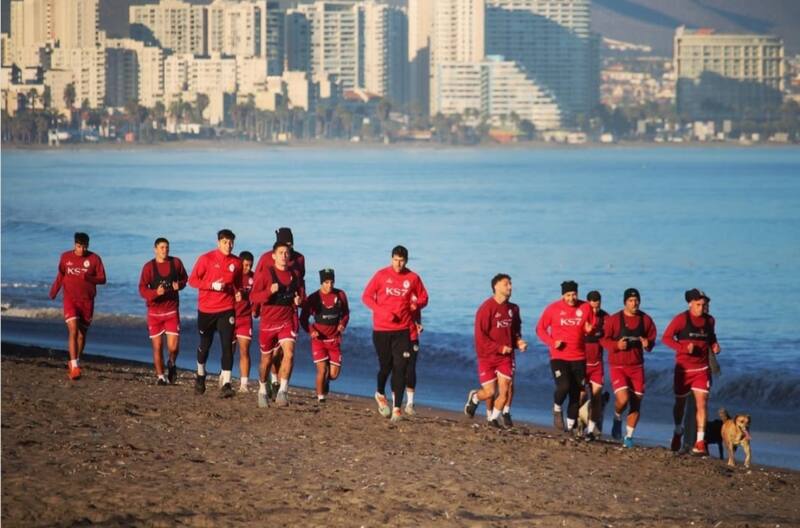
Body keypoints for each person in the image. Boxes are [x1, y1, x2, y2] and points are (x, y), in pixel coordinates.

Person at [362, 245, 428, 422]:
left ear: (406, 261)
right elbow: (366, 297)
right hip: (382, 329)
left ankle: (397, 408)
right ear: (391, 259)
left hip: (403, 330)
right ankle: (379, 393)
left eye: (402, 260)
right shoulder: (381, 275)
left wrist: (416, 305)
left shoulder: (413, 278)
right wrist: (381, 311)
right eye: (396, 260)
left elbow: (424, 297)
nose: (398, 264)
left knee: (401, 367)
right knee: (386, 367)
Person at [662, 288, 721, 456]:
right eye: (698, 304)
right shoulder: (681, 319)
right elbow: (666, 338)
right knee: (679, 405)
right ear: (690, 304)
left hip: (702, 369)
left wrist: (715, 346)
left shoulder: (710, 320)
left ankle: (700, 442)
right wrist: (683, 347)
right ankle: (678, 430)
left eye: (704, 304)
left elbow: (711, 338)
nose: (702, 307)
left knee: (702, 404)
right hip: (683, 370)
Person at [464, 274, 527, 428]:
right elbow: (480, 338)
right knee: (490, 392)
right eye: (506, 284)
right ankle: (475, 398)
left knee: (505, 390)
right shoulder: (486, 309)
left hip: (506, 357)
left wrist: (518, 341)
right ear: (496, 287)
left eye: (511, 284)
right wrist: (499, 347)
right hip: (486, 357)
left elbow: (516, 331)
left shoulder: (514, 309)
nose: (510, 287)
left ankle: (493, 419)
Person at [188, 229, 243, 398]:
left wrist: (238, 292)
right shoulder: (206, 259)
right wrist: (212, 285)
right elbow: (192, 281)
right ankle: (201, 374)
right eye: (225, 242)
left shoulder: (237, 262)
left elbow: (237, 283)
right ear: (218, 243)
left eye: (231, 242)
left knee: (228, 345)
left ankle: (226, 383)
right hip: (207, 310)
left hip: (226, 309)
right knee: (205, 345)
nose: (229, 245)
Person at [535, 281, 595, 434]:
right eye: (568, 295)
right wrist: (552, 342)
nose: (571, 298)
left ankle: (568, 429)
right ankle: (557, 408)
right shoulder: (553, 308)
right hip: (559, 356)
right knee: (564, 387)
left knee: (576, 394)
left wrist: (590, 329)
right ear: (563, 295)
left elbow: (591, 327)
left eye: (574, 294)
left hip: (579, 357)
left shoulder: (586, 307)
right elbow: (540, 329)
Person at [600, 288, 657, 447]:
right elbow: (603, 340)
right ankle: (617, 416)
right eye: (631, 300)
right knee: (623, 399)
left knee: (636, 403)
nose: (634, 303)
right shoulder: (614, 319)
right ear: (625, 302)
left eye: (636, 300)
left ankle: (629, 437)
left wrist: (648, 344)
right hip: (618, 365)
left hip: (637, 367)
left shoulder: (645, 320)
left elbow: (652, 340)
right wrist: (616, 345)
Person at [250, 240, 304, 407]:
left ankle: (283, 391)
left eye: (286, 253)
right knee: (266, 360)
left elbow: (303, 297)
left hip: (286, 321)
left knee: (289, 353)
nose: (284, 256)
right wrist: (268, 291)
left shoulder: (295, 275)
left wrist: (299, 301)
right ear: (273, 256)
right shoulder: (266, 274)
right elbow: (253, 297)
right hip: (268, 323)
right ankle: (262, 390)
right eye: (281, 253)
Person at [49, 232, 107, 380]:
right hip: (70, 299)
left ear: (88, 246)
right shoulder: (65, 257)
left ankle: (75, 360)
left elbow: (102, 279)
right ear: (75, 245)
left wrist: (88, 277)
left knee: (82, 336)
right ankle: (74, 367)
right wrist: (54, 291)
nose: (81, 250)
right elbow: (61, 274)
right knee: (73, 330)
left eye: (84, 247)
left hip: (87, 301)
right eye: (79, 246)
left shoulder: (94, 259)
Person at [138, 237, 188, 385]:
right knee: (157, 347)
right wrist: (154, 293)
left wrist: (180, 285)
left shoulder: (176, 263)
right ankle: (160, 377)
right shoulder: (148, 267)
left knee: (173, 347)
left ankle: (171, 363)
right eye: (162, 247)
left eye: (167, 247)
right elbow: (142, 289)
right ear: (155, 249)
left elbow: (185, 279)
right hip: (154, 313)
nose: (165, 250)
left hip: (171, 311)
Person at [300, 268, 350, 403]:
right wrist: (311, 331)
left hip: (334, 340)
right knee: (321, 370)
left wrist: (342, 324)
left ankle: (327, 380)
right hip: (319, 340)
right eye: (326, 282)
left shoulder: (340, 295)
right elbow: (303, 319)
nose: (329, 285)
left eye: (332, 282)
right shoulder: (314, 298)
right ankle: (320, 398)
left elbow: (345, 314)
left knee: (333, 375)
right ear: (321, 282)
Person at [583, 290, 608, 440]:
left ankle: (591, 431)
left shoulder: (606, 318)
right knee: (580, 395)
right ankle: (577, 426)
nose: (595, 310)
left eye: (598, 306)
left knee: (596, 397)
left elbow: (613, 334)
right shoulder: (581, 317)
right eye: (592, 306)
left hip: (597, 364)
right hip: (581, 363)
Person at [232, 251, 255, 393]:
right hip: (230, 316)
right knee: (229, 349)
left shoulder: (254, 278)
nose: (247, 268)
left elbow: (258, 295)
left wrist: (256, 308)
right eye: (245, 265)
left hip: (246, 318)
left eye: (250, 265)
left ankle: (244, 384)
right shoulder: (233, 277)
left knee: (244, 350)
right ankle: (225, 376)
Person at [405, 298, 422, 415]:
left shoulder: (416, 292)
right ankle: (396, 403)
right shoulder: (395, 289)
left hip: (412, 336)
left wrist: (418, 324)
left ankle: (410, 403)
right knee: (398, 367)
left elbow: (417, 311)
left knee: (411, 369)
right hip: (396, 334)